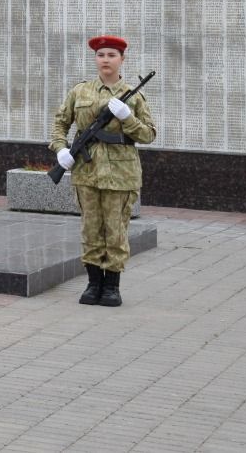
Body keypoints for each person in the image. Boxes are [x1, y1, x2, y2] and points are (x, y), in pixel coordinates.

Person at [50, 34, 157, 307]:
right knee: (90, 230)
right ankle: (93, 283)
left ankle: (112, 287)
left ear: (122, 59)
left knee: (116, 231)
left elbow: (148, 134)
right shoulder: (80, 91)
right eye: (101, 55)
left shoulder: (134, 96)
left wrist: (127, 118)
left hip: (121, 175)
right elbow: (60, 122)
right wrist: (61, 149)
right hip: (86, 172)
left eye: (111, 55)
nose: (105, 60)